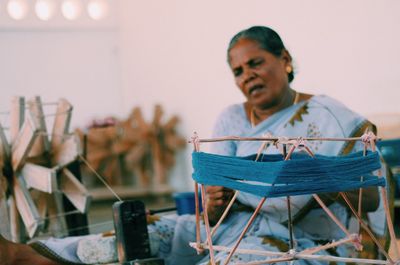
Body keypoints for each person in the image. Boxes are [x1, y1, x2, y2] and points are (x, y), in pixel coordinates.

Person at [0, 26, 389, 265]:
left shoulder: (332, 116)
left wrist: (316, 176)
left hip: (309, 244)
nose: (247, 76)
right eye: (238, 71)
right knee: (148, 234)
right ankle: (26, 255)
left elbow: (371, 200)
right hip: (231, 231)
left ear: (284, 59)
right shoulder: (231, 120)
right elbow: (211, 215)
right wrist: (215, 202)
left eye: (256, 63)